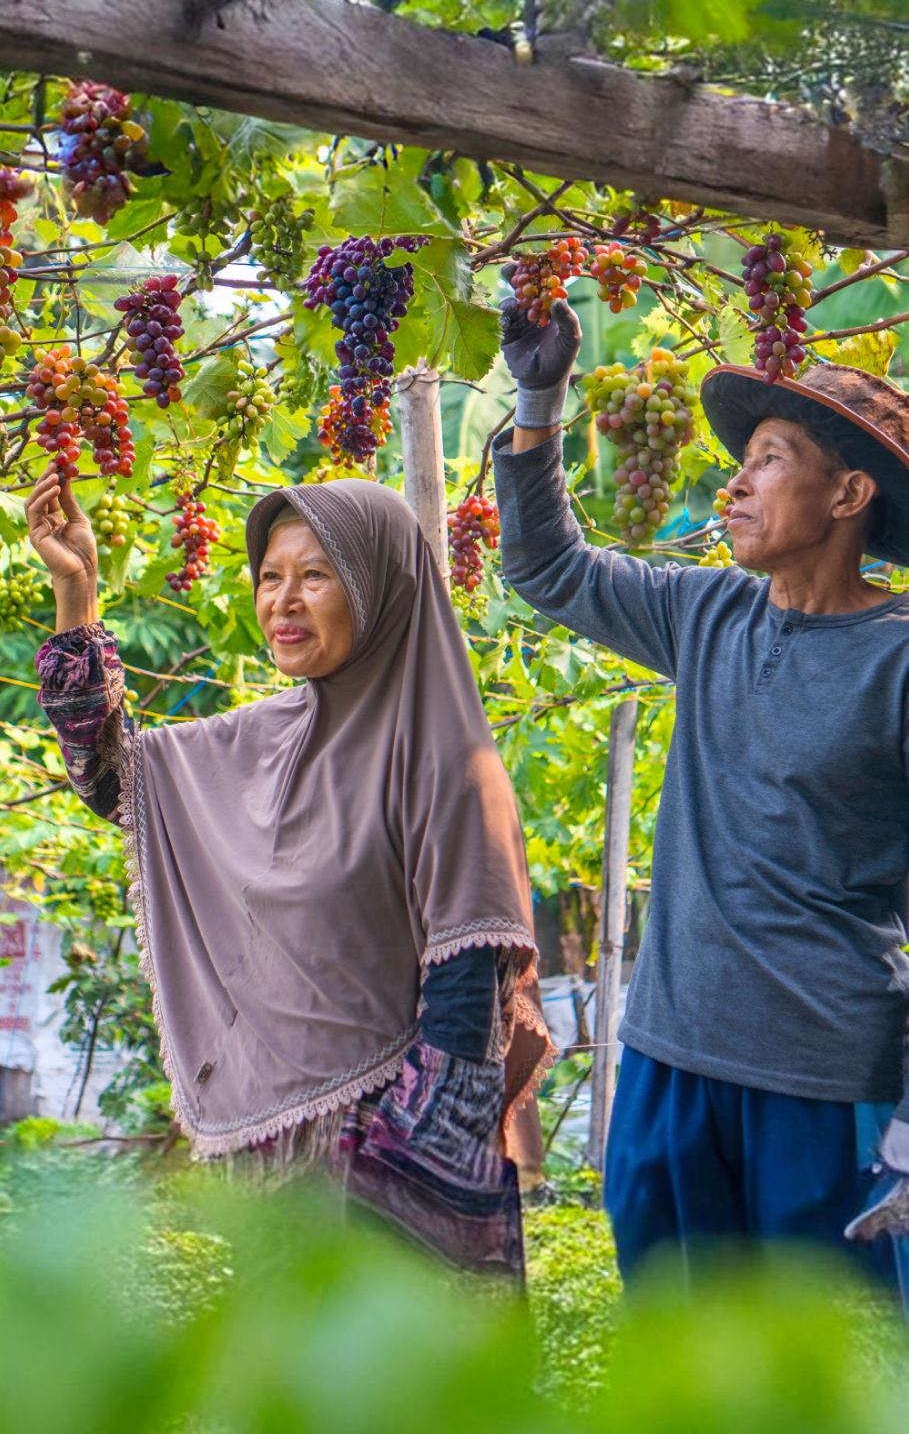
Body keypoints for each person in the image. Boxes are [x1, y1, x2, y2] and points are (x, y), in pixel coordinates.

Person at [25, 467, 551, 1278]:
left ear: (380, 587)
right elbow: (112, 779)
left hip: (393, 1187)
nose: (282, 600)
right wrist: (78, 593)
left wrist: (379, 1214)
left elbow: (463, 1029)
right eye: (270, 576)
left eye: (315, 574)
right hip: (283, 1185)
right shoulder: (263, 737)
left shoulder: (449, 765)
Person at [492, 288, 909, 1289]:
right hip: (670, 1066)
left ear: (849, 496)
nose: (735, 484)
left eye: (769, 459)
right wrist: (539, 399)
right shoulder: (706, 613)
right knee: (681, 1367)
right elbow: (545, 564)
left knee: (827, 1374)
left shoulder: (896, 663)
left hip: (827, 1083)